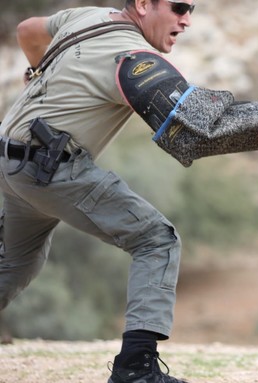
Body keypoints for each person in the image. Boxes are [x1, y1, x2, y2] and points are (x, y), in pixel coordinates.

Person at [0, 1, 198, 382]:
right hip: (50, 171)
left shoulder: (88, 16)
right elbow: (190, 127)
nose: (186, 19)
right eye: (178, 7)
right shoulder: (128, 57)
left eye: (191, 9)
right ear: (143, 4)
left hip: (11, 164)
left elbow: (27, 29)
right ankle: (135, 370)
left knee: (15, 265)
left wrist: (37, 71)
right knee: (157, 240)